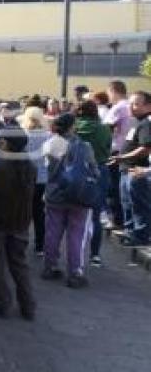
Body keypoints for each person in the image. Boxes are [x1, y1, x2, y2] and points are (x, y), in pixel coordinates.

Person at [0, 127, 37, 320]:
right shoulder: (31, 168)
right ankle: (28, 306)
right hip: (20, 222)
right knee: (19, 264)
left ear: (6, 144)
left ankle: (2, 302)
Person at [41, 114, 98, 288]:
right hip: (79, 196)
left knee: (52, 232)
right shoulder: (84, 146)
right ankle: (75, 272)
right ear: (72, 126)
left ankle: (50, 266)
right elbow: (94, 170)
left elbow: (48, 169)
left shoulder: (49, 144)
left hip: (55, 194)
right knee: (77, 235)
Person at [108, 91, 151, 246]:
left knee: (138, 204)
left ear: (148, 106)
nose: (131, 107)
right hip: (126, 169)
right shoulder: (136, 122)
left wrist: (122, 158)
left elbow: (145, 148)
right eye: (131, 103)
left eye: (136, 104)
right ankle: (130, 232)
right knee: (126, 203)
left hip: (137, 171)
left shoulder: (146, 123)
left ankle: (140, 236)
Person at [74, 101, 112, 267]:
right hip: (100, 171)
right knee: (95, 215)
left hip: (77, 172)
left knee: (74, 213)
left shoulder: (74, 128)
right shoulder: (104, 129)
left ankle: (74, 253)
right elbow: (108, 148)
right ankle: (95, 255)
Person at [104, 80, 136, 229]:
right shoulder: (132, 106)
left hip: (118, 151)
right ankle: (128, 221)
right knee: (129, 189)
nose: (108, 97)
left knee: (114, 188)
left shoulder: (118, 107)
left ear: (113, 91)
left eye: (109, 93)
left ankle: (117, 220)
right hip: (133, 150)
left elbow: (106, 129)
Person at [19, 106, 50, 255]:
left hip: (25, 178)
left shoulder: (22, 134)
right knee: (40, 214)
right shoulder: (48, 135)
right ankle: (40, 246)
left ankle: (21, 243)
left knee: (24, 212)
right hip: (43, 178)